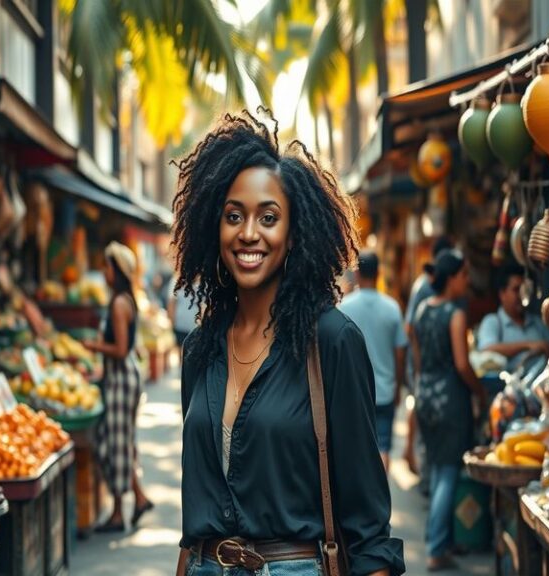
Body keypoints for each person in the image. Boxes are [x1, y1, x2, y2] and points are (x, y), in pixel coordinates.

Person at [172, 110, 405, 576]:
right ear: (213, 229)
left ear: (295, 232)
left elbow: (367, 525)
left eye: (268, 217)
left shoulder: (332, 342)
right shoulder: (200, 348)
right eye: (233, 216)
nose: (249, 233)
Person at [410, 249, 488, 572]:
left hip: (425, 395)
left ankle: (436, 537)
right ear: (452, 278)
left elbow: (418, 357)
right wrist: (480, 391)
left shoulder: (423, 310)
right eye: (464, 275)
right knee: (447, 472)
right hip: (450, 400)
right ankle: (436, 547)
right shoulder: (455, 314)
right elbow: (461, 363)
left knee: (437, 466)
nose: (467, 282)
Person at [84, 241, 154, 533]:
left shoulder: (119, 303)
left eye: (107, 266)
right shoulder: (125, 299)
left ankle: (117, 512)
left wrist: (93, 345)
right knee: (117, 439)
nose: (103, 271)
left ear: (117, 270)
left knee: (117, 442)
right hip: (120, 376)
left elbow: (121, 349)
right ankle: (137, 499)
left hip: (121, 377)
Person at [339, 250, 407, 472]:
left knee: (356, 447)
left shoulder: (344, 307)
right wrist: (397, 386)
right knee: (383, 445)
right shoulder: (392, 308)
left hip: (353, 392)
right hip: (385, 390)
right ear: (378, 273)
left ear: (356, 273)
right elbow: (399, 354)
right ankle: (381, 497)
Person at [403, 236, 453, 479]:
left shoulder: (428, 286)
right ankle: (413, 455)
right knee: (422, 411)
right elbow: (410, 327)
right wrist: (418, 361)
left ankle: (418, 460)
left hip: (426, 362)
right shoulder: (426, 288)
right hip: (425, 362)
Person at [477, 265, 549, 372]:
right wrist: (528, 345)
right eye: (516, 290)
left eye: (524, 289)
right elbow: (487, 349)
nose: (521, 294)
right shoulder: (492, 322)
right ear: (502, 294)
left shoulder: (537, 321)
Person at [166, 275, 198, 351]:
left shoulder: (203, 282)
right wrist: (171, 326)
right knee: (182, 355)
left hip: (195, 329)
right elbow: (171, 304)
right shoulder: (176, 281)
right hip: (180, 327)